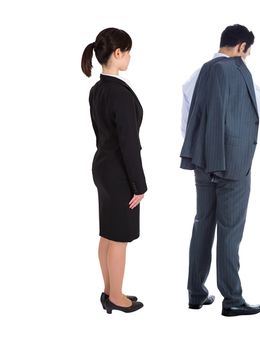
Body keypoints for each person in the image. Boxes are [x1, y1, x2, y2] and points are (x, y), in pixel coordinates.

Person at [180, 24, 260, 317]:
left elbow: (189, 117)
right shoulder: (238, 71)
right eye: (248, 49)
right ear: (241, 46)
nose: (248, 55)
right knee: (230, 231)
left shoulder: (201, 71)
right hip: (232, 163)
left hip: (202, 160)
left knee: (202, 224)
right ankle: (232, 299)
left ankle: (196, 292)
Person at [82, 27, 146, 314]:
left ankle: (109, 290)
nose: (130, 56)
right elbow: (129, 143)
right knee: (119, 237)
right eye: (128, 51)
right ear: (117, 54)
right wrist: (140, 184)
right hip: (120, 170)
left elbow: (102, 134)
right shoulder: (119, 93)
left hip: (102, 165)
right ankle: (117, 297)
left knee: (108, 233)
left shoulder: (98, 88)